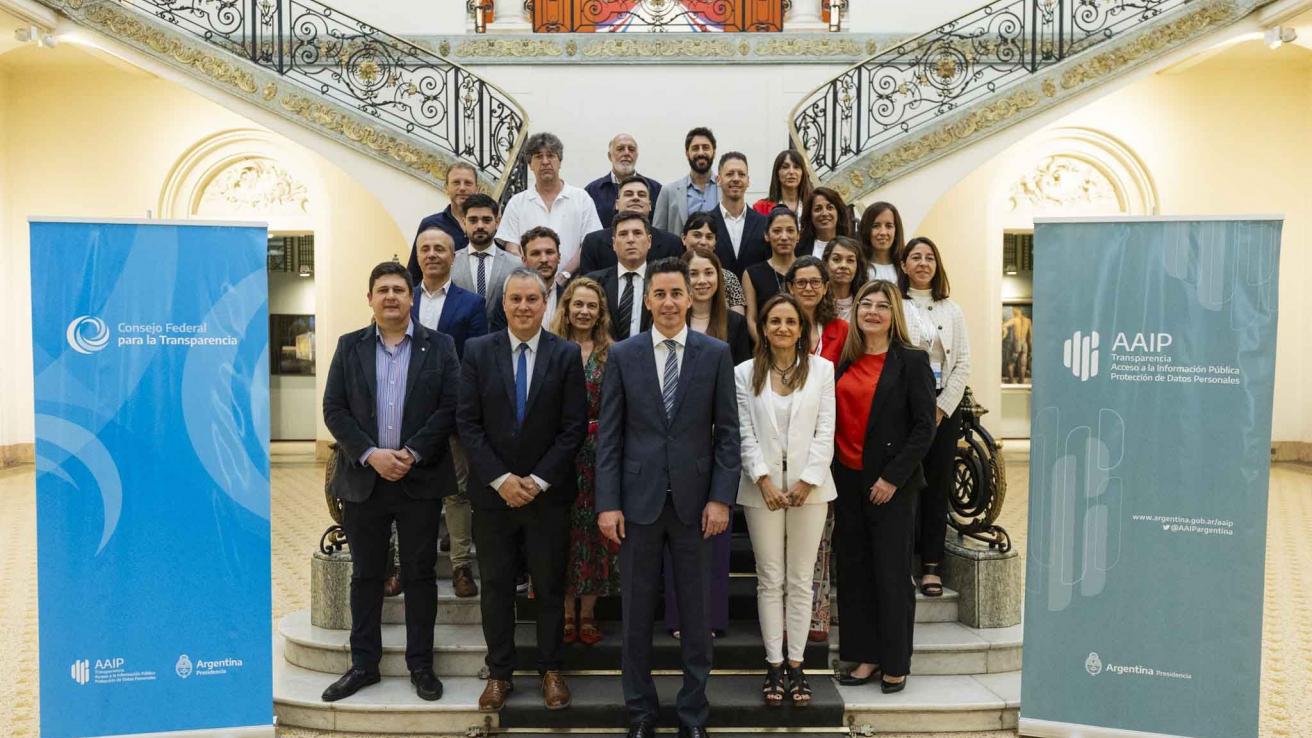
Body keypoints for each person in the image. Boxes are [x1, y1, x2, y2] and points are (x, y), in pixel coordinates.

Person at [596, 257, 740, 738]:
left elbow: (728, 435)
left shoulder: (716, 353)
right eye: (659, 294)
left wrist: (721, 499)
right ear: (647, 300)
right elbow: (610, 438)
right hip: (636, 506)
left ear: (691, 296)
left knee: (697, 620)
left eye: (677, 293)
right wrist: (607, 504)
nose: (669, 302)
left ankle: (693, 715)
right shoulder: (624, 355)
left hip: (698, 507)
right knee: (636, 618)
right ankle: (640, 713)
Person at [320, 261, 460, 704]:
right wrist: (371, 454)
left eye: (399, 289)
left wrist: (411, 453)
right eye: (382, 290)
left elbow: (449, 407)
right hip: (365, 480)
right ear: (370, 299)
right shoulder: (348, 347)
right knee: (365, 576)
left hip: (419, 479)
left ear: (411, 296)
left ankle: (421, 665)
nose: (391, 297)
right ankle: (364, 665)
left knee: (419, 576)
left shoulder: (441, 347)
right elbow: (334, 409)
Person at [457, 268, 588, 712]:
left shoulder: (566, 353)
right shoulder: (477, 351)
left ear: (545, 302)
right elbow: (468, 424)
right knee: (494, 587)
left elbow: (573, 428)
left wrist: (535, 481)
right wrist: (502, 480)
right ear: (504, 303)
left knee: (549, 587)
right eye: (516, 299)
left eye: (533, 299)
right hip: (493, 497)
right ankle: (499, 674)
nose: (524, 306)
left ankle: (551, 670)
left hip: (546, 496)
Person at [832, 280, 936, 694]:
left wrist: (892, 477)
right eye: (865, 305)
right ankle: (866, 657)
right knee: (854, 573)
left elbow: (924, 427)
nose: (872, 312)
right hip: (848, 480)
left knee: (891, 576)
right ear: (856, 312)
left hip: (891, 485)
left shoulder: (911, 360)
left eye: (881, 306)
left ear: (895, 314)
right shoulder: (844, 359)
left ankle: (895, 661)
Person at [735, 294, 835, 706]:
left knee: (800, 580)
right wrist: (763, 480)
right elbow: (744, 433)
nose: (782, 328)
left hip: (810, 492)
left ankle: (798, 666)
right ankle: (773, 665)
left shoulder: (822, 371)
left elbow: (825, 430)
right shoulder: (745, 373)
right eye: (774, 321)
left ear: (801, 328)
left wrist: (807, 481)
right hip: (762, 493)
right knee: (769, 579)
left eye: (789, 321)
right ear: (763, 326)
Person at [661, 250, 750, 642]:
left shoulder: (733, 324)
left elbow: (745, 381)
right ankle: (678, 615)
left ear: (719, 278)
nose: (700, 280)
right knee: (677, 532)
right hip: (675, 444)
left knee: (713, 533)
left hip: (719, 436)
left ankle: (711, 616)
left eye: (707, 272)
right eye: (692, 273)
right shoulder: (668, 320)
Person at [411, 227, 487, 599]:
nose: (432, 254)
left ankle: (460, 567)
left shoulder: (470, 304)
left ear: (452, 256)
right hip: (407, 416)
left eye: (440, 248)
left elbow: (474, 361)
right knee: (407, 492)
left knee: (457, 493)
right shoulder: (402, 299)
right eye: (425, 249)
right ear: (418, 255)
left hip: (453, 412)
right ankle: (401, 565)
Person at [899, 236, 972, 597]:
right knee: (906, 484)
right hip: (904, 412)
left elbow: (962, 363)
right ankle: (904, 562)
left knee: (937, 486)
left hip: (944, 410)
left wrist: (942, 407)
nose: (923, 263)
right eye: (916, 257)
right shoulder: (896, 305)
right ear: (904, 265)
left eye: (930, 257)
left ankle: (932, 566)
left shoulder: (952, 309)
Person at [551, 277, 618, 646]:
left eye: (592, 305)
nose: (584, 311)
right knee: (561, 533)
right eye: (578, 304)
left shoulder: (614, 352)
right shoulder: (549, 348)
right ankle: (563, 612)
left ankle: (588, 612)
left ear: (600, 312)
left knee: (593, 535)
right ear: (567, 306)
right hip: (558, 454)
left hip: (600, 453)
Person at [496, 132, 603, 283]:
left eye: (551, 155)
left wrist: (564, 274)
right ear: (530, 164)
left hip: (572, 285)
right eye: (538, 156)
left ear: (559, 161)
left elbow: (589, 243)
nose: (545, 162)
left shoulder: (581, 198)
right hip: (529, 285)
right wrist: (530, 275)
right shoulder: (517, 203)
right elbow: (511, 246)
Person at [579, 175, 683, 274]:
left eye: (641, 194)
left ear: (650, 206)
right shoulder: (593, 243)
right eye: (629, 194)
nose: (635, 198)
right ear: (617, 204)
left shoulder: (671, 244)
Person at [452, 193, 520, 329]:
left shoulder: (515, 265)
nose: (480, 226)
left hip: (502, 344)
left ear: (497, 222)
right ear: (464, 222)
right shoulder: (450, 263)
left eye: (486, 220)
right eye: (473, 220)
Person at [586, 211, 654, 341]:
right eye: (623, 234)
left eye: (637, 233)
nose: (630, 239)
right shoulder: (594, 282)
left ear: (649, 241)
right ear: (613, 243)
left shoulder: (661, 282)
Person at [407, 162, 478, 283]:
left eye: (468, 183)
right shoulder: (430, 224)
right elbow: (414, 274)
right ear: (446, 188)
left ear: (477, 188)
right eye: (456, 182)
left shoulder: (487, 227)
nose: (462, 188)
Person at [742, 207, 800, 342]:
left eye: (790, 230)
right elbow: (751, 319)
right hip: (765, 349)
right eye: (777, 231)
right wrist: (767, 348)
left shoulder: (809, 270)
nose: (784, 237)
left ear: (798, 235)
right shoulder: (752, 274)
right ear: (767, 235)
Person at [706, 152, 768, 277]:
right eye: (729, 174)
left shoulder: (764, 223)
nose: (736, 179)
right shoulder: (706, 223)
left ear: (748, 181)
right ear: (718, 180)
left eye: (741, 174)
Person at [584, 133, 663, 229]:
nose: (626, 153)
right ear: (610, 156)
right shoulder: (592, 191)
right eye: (620, 149)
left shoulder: (656, 189)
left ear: (636, 156)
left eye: (631, 149)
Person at [652, 127, 719, 236]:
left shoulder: (725, 189)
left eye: (706, 148)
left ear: (714, 152)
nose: (701, 153)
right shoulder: (668, 192)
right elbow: (658, 235)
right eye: (695, 148)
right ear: (687, 153)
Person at [786, 255, 849, 365]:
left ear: (825, 287)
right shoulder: (781, 327)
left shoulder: (842, 329)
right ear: (791, 288)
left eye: (815, 282)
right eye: (801, 283)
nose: (808, 288)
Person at [681, 212, 746, 313]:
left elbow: (738, 322)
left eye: (709, 237)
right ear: (683, 238)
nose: (703, 242)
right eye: (697, 235)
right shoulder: (672, 275)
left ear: (715, 243)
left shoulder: (729, 278)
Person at [520, 226, 568, 330]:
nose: (544, 259)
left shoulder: (570, 298)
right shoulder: (509, 299)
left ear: (559, 257)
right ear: (524, 260)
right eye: (536, 254)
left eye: (549, 252)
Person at [752, 150, 812, 217]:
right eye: (785, 167)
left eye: (796, 167)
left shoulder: (812, 206)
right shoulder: (761, 208)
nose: (791, 172)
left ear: (803, 173)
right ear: (777, 173)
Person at [799, 187, 852, 260]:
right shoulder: (799, 251)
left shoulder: (853, 246)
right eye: (818, 209)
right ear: (810, 216)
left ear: (838, 212)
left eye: (830, 208)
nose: (824, 213)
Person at [824, 236, 868, 322]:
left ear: (858, 266)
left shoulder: (866, 303)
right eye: (836, 259)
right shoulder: (816, 302)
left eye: (850, 260)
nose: (843, 265)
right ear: (826, 263)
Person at [858, 201, 904, 282]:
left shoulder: (905, 268)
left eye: (889, 226)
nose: (883, 232)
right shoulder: (858, 268)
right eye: (876, 226)